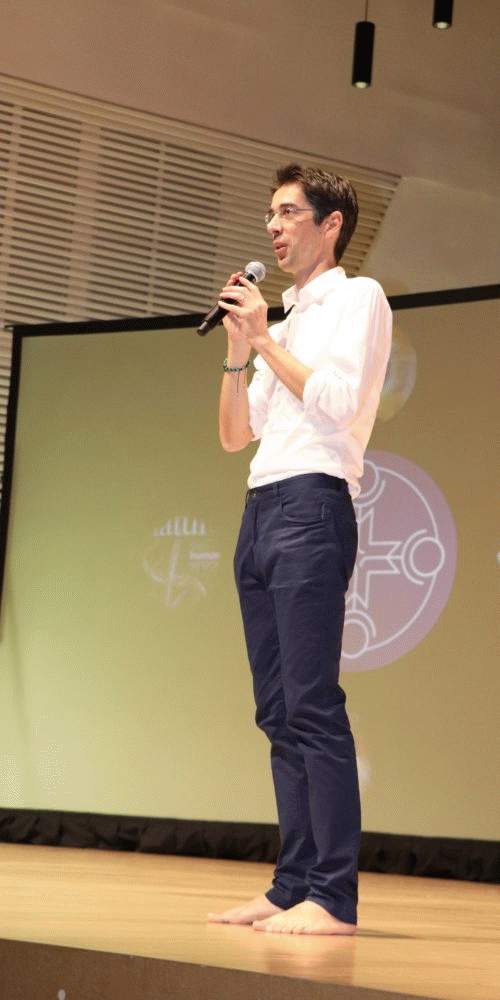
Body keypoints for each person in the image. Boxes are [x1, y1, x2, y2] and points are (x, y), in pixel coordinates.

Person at [208, 163, 392, 936]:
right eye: (270, 215)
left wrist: (264, 340)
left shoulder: (359, 298)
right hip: (260, 509)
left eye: (288, 213)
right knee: (276, 710)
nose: (273, 228)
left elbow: (339, 401)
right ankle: (291, 884)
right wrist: (239, 350)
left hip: (314, 505)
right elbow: (233, 435)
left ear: (331, 224)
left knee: (313, 704)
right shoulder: (277, 327)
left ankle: (334, 896)